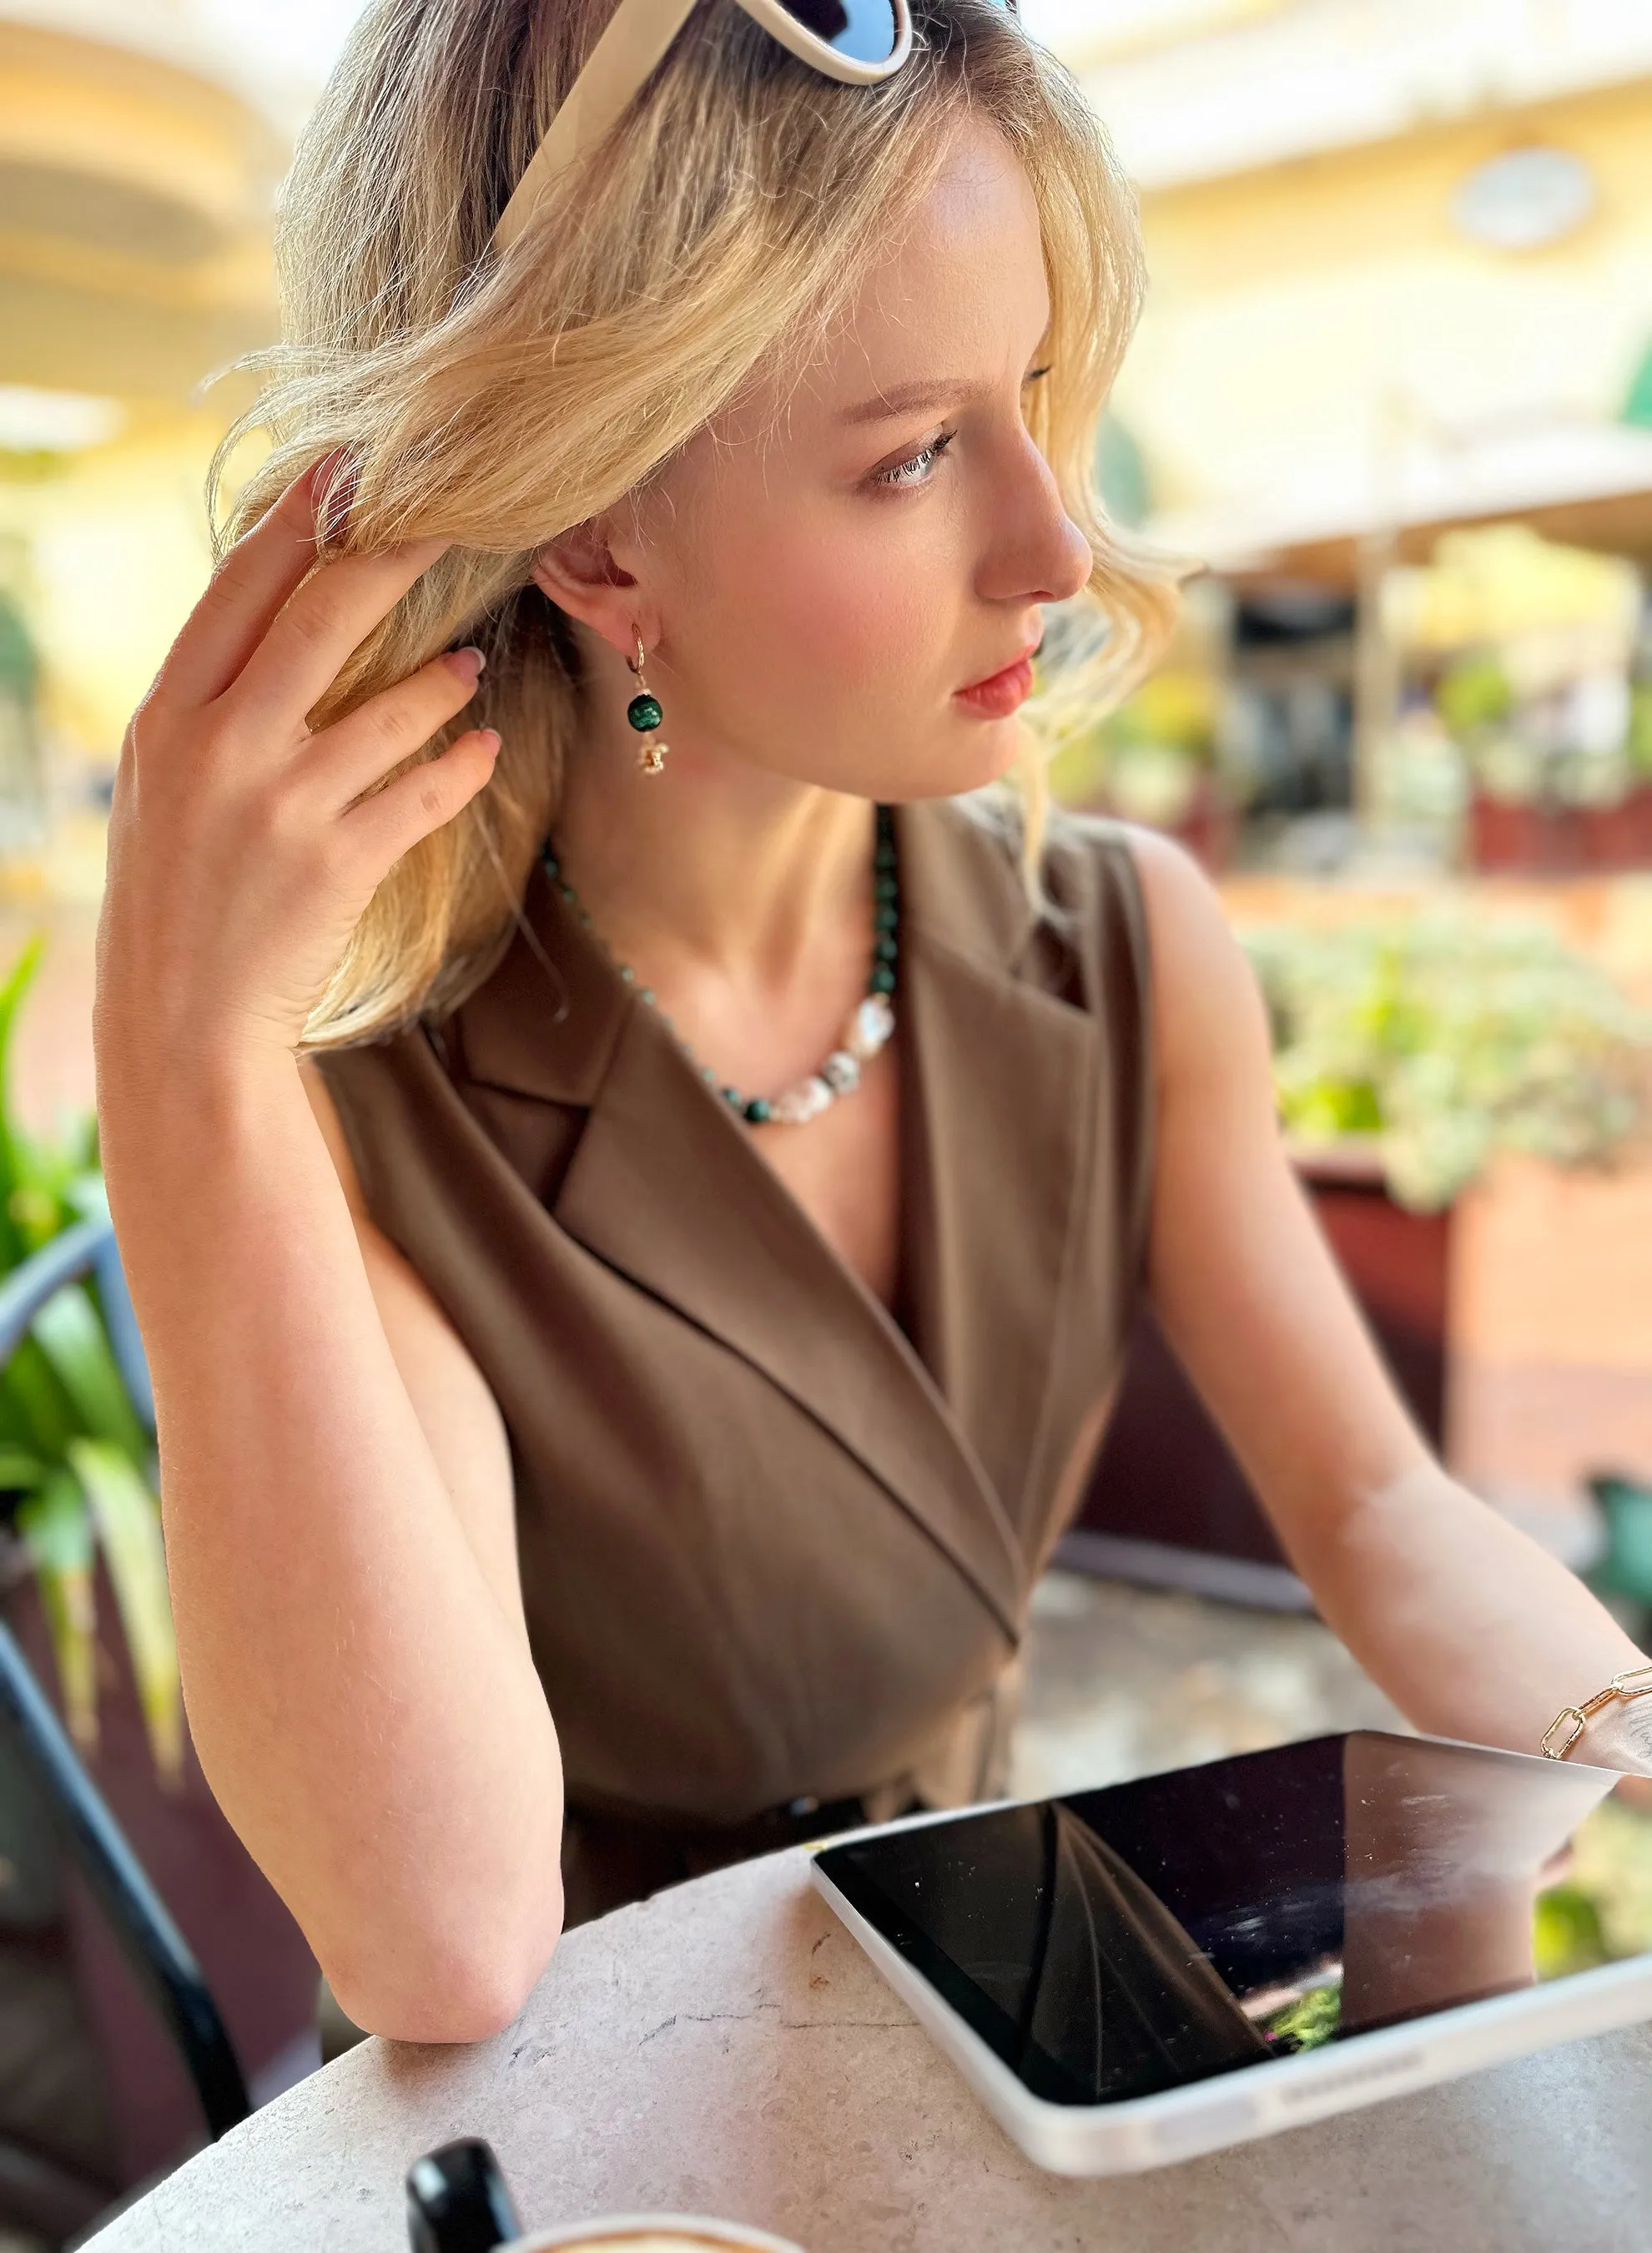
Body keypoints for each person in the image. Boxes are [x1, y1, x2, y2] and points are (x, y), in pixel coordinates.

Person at [93, 0, 1650, 2048]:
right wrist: (177, 1055)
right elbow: (443, 1939)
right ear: (594, 537)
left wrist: (1621, 1732)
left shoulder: (1124, 947)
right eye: (914, 454)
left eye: (1030, 393)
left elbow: (1369, 1505)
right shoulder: (374, 1119)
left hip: (1008, 2027)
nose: (1054, 544)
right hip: (608, 2132)